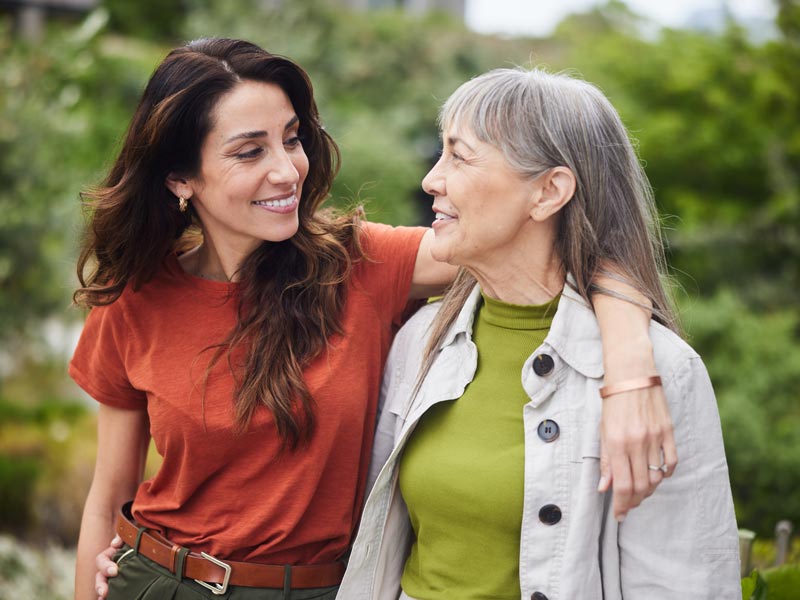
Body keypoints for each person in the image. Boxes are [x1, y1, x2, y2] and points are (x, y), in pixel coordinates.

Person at [72, 39, 675, 600]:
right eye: (249, 151)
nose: (287, 170)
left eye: (292, 138)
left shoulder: (360, 263)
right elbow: (108, 497)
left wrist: (629, 374)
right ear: (180, 177)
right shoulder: (135, 299)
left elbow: (564, 244)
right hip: (156, 580)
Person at [338, 68, 740, 600]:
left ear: (549, 192)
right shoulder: (419, 342)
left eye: (459, 155)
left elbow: (684, 583)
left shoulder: (660, 371)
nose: (432, 180)